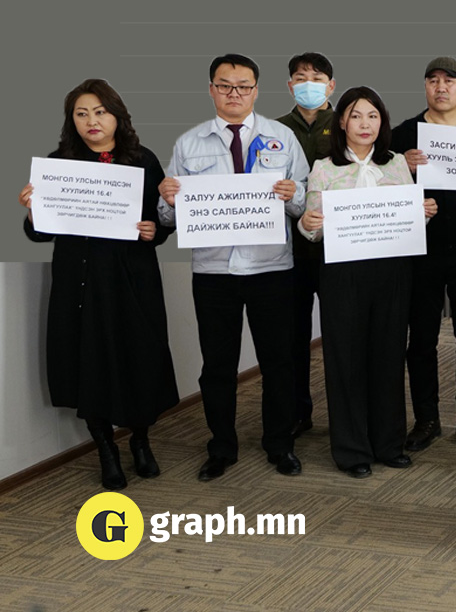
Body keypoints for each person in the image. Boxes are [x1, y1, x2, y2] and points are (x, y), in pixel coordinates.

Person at [19, 79, 178, 490]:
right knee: (86, 360)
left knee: (140, 356)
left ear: (116, 116)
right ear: (71, 121)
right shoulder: (59, 164)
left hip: (132, 279)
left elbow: (163, 220)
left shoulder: (143, 160)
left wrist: (153, 230)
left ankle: (140, 440)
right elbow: (40, 233)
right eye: (82, 113)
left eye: (100, 112)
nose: (92, 121)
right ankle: (105, 449)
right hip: (80, 280)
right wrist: (34, 212)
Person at [158, 53, 311, 481]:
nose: (234, 94)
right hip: (214, 273)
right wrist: (168, 200)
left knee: (278, 362)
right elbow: (168, 218)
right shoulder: (189, 144)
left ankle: (280, 444)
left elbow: (306, 203)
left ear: (256, 91)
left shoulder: (282, 137)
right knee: (218, 367)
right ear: (211, 90)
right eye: (225, 86)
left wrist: (293, 195)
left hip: (271, 268)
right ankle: (222, 447)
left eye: (243, 86)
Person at [299, 87, 437, 478]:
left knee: (388, 356)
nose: (365, 124)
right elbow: (312, 229)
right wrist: (307, 223)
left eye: (373, 116)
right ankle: (352, 450)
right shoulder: (323, 167)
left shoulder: (397, 164)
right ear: (341, 121)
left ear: (382, 122)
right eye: (356, 115)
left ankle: (389, 443)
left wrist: (424, 213)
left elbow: (407, 220)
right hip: (343, 274)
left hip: (392, 271)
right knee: (346, 360)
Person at [390, 56, 456, 451]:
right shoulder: (401, 137)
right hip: (420, 253)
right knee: (421, 340)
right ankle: (426, 420)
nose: (441, 87)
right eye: (432, 80)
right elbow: (378, 190)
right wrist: (401, 167)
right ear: (425, 88)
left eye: (449, 80)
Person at [275, 52, 336, 440]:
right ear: (290, 85)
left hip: (337, 251)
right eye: (300, 77)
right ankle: (298, 412)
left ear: (331, 85)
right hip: (289, 252)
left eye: (317, 78)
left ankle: (343, 415)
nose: (308, 84)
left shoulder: (348, 125)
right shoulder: (274, 130)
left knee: (339, 337)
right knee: (292, 338)